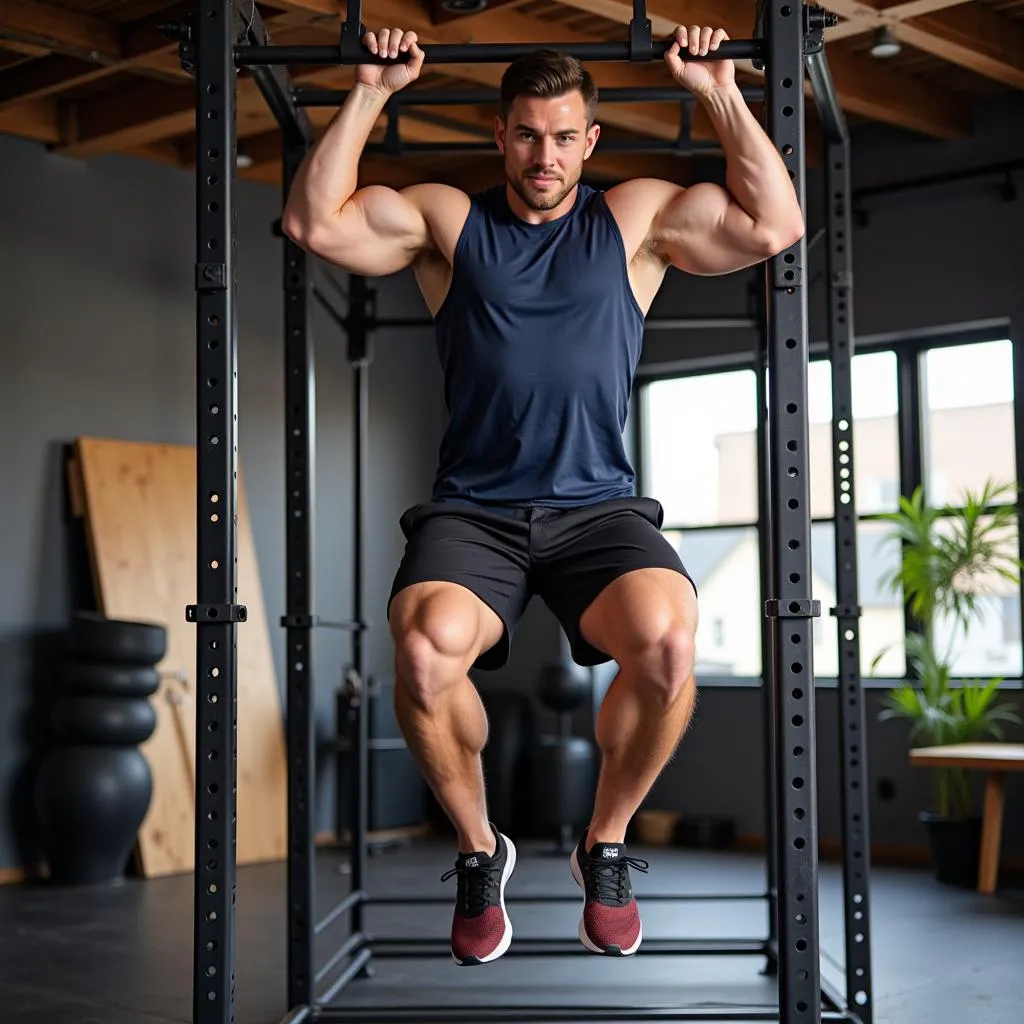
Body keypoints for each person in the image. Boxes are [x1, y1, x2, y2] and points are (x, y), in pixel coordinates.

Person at [282, 23, 803, 966]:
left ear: (590, 141)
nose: (545, 155)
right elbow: (316, 225)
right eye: (527, 134)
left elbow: (773, 227)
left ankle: (603, 843)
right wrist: (368, 91)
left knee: (668, 645)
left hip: (598, 511)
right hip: (474, 512)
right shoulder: (449, 221)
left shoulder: (634, 220)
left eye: (564, 136)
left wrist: (721, 91)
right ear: (500, 133)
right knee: (425, 651)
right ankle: (482, 852)